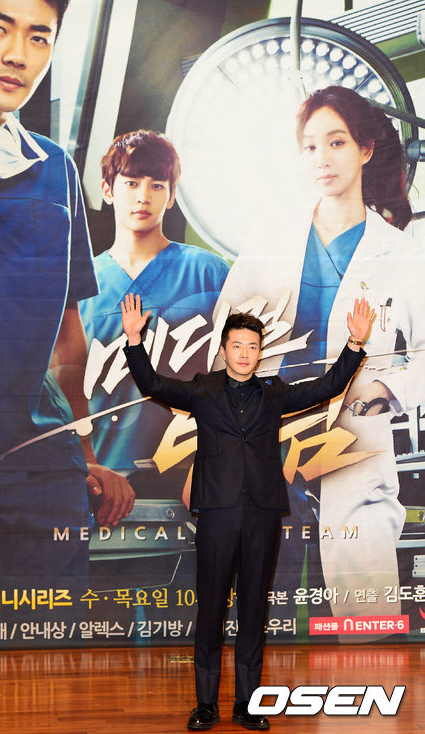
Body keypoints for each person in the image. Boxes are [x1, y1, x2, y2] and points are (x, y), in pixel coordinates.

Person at [0, 0, 133, 615]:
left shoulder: (55, 170)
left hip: (42, 474)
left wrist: (84, 452)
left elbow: (66, 336)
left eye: (39, 37)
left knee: (50, 654)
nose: (18, 54)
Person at [215, 85, 425, 623]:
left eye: (336, 142)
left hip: (352, 442)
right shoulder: (273, 235)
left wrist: (386, 388)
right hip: (268, 435)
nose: (321, 159)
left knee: (363, 620)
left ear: (365, 149)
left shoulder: (399, 251)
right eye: (309, 146)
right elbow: (226, 335)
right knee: (263, 613)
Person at [121, 291, 372, 731]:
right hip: (216, 513)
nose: (244, 353)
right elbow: (154, 385)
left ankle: (248, 704)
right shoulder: (203, 389)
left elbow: (326, 388)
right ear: (224, 349)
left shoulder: (274, 393)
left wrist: (354, 345)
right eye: (237, 345)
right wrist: (134, 342)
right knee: (211, 611)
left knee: (254, 611)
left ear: (260, 352)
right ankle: (205, 704)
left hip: (261, 514)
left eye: (252, 346)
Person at [79, 130, 229, 500]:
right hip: (102, 487)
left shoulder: (209, 275)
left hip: (195, 483)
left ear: (172, 195)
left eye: (157, 185)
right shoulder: (79, 287)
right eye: (131, 182)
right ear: (108, 189)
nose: (143, 196)